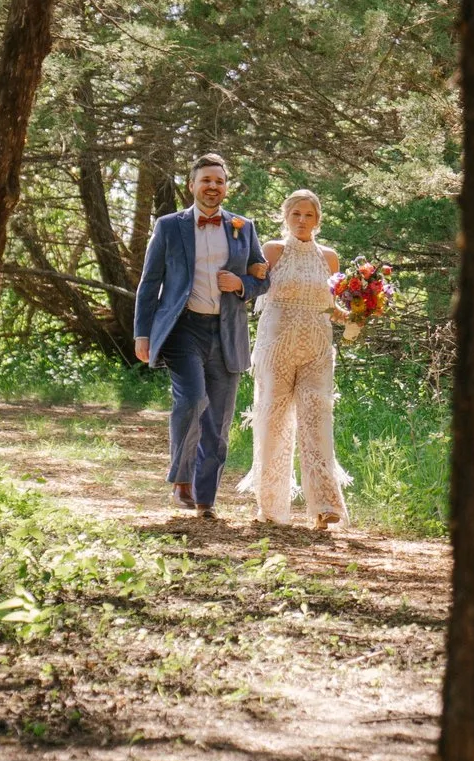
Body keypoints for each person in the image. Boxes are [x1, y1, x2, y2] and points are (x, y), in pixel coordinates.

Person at [134, 154, 270, 518]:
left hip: (227, 332)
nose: (213, 187)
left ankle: (206, 496)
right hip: (183, 329)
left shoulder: (244, 226)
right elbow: (149, 284)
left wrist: (242, 283)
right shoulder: (168, 226)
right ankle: (182, 481)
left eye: (219, 181)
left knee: (219, 421)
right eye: (206, 180)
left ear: (226, 187)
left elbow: (263, 278)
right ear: (192, 185)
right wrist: (142, 334)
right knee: (192, 401)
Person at [241, 189, 350, 530]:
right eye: (296, 215)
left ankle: (325, 506)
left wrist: (357, 314)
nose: (302, 221)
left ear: (318, 220)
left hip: (318, 347)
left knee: (317, 420)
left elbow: (333, 308)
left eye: (309, 215)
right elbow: (255, 288)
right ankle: (271, 507)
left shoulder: (329, 258)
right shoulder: (272, 250)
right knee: (274, 422)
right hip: (277, 347)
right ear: (285, 217)